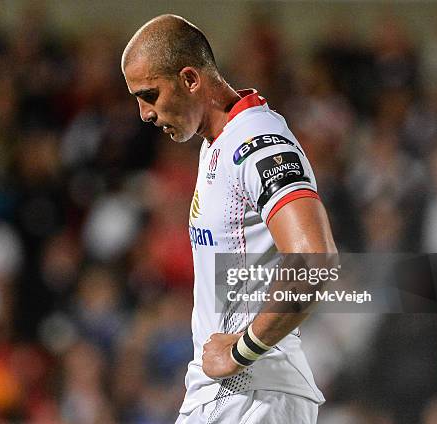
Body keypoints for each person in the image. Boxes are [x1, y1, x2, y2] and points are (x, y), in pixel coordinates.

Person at [121, 15, 337, 423]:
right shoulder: (217, 143)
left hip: (247, 391)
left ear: (190, 79)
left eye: (149, 94)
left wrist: (244, 349)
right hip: (237, 390)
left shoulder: (256, 141)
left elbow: (314, 260)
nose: (143, 114)